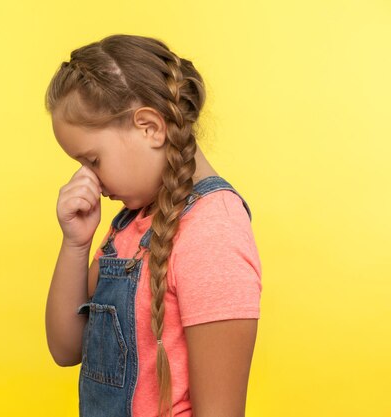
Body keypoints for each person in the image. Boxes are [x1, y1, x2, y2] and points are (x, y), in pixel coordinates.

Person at [44, 34, 263, 417]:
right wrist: (76, 244)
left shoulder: (214, 232)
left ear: (150, 127)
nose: (87, 178)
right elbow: (66, 349)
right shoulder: (131, 225)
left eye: (93, 160)